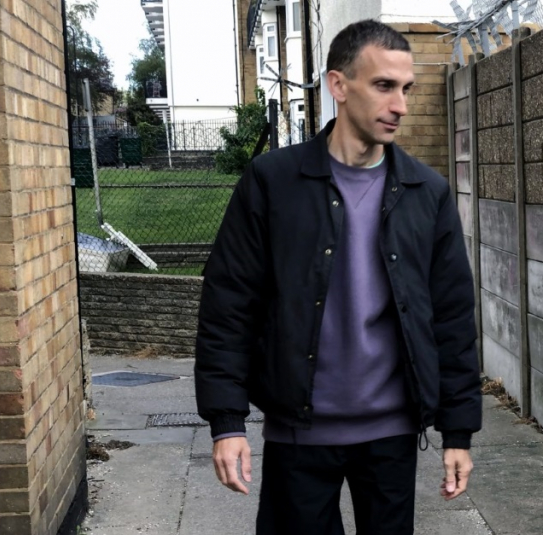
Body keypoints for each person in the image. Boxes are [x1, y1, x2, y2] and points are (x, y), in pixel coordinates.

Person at [193, 19, 481, 534]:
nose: (400, 105)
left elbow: (452, 317)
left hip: (391, 435)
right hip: (298, 432)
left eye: (406, 89)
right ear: (339, 85)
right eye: (384, 85)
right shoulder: (274, 182)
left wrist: (458, 432)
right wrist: (227, 421)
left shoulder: (427, 192)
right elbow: (229, 304)